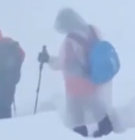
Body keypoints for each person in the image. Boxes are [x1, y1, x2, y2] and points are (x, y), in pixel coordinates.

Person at [40, 8, 119, 138]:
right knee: (98, 110)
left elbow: (63, 63)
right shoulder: (93, 30)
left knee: (76, 119)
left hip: (76, 86)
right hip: (93, 79)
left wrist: (48, 59)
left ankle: (78, 136)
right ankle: (108, 132)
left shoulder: (70, 41)